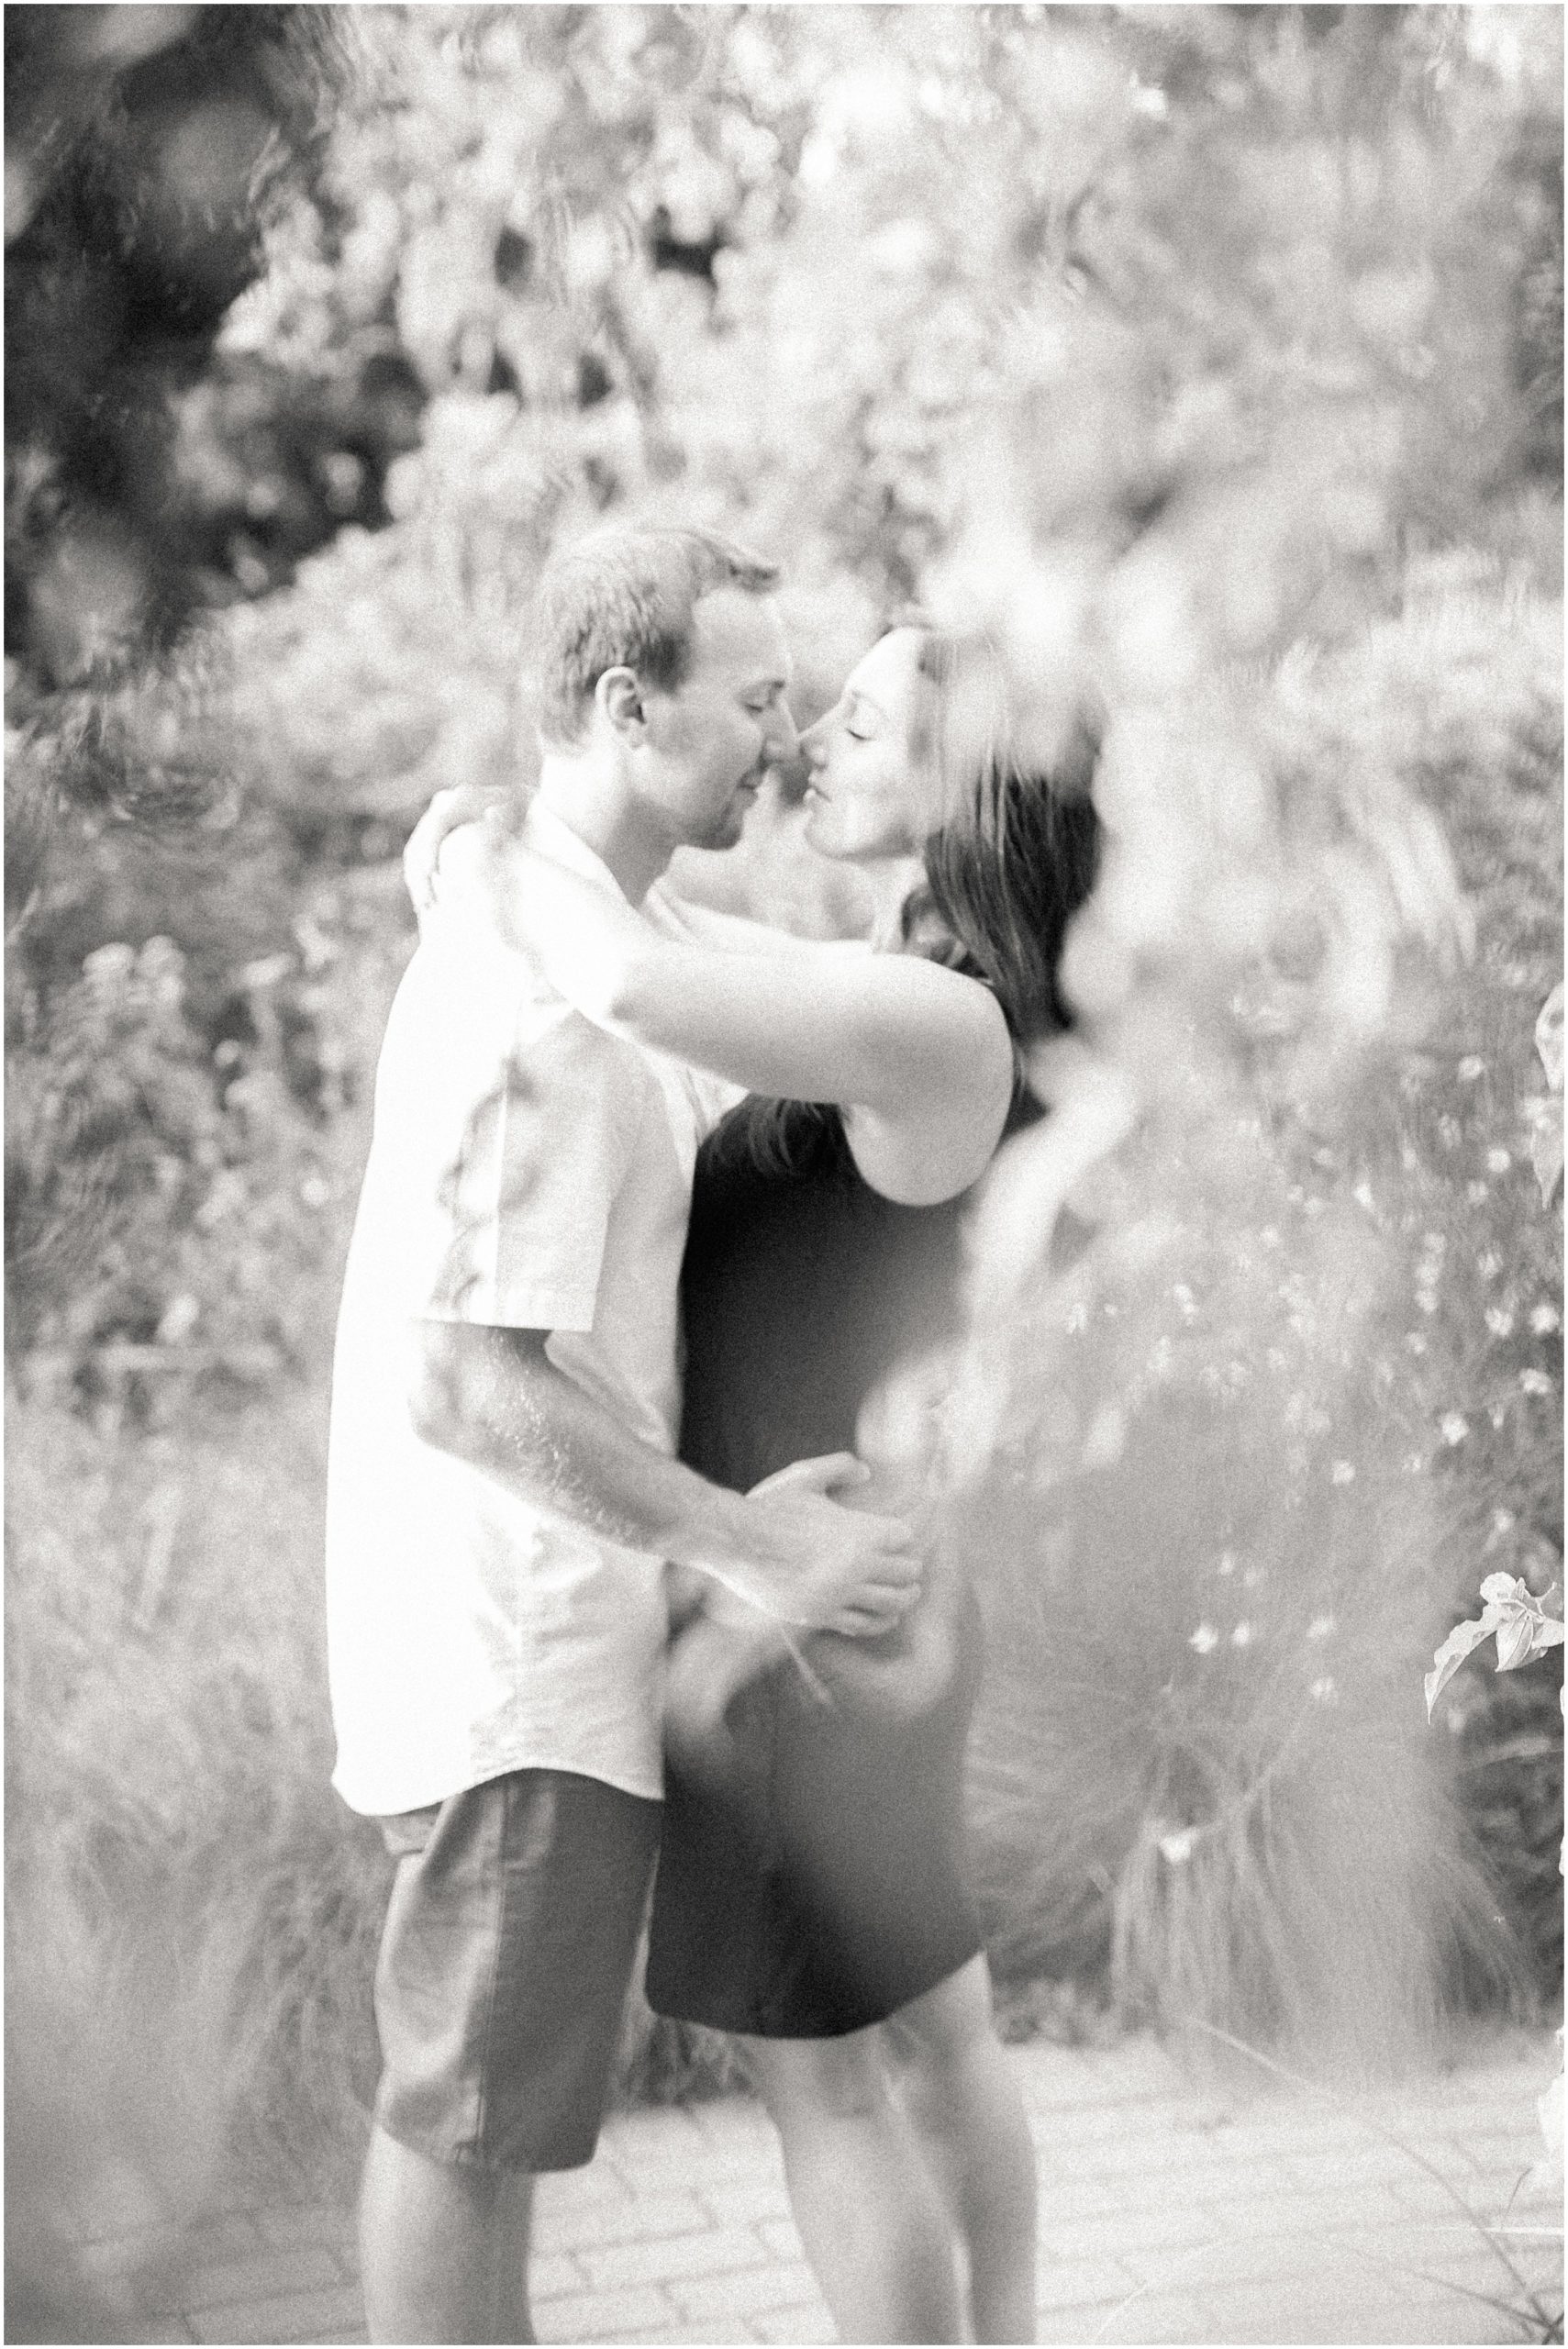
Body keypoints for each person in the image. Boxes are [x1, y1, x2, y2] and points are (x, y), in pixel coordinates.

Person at [417, 614, 1107, 2343]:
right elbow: (676, 941)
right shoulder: (931, 978)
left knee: (833, 2088)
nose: (816, 749)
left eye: (863, 730)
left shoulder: (938, 1019)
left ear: (964, 786)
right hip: (859, 1581)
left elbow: (638, 980)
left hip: (802, 1608)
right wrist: (526, 863)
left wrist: (505, 848)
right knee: (939, 2031)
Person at [325, 526, 927, 2346]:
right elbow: (469, 1384)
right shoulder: (538, 1007)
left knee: (488, 2117)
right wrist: (758, 1542)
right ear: (624, 701)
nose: (784, 736)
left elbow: (814, 997)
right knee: (465, 2121)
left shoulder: (602, 915)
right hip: (516, 1649)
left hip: (560, 1638)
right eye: (753, 700)